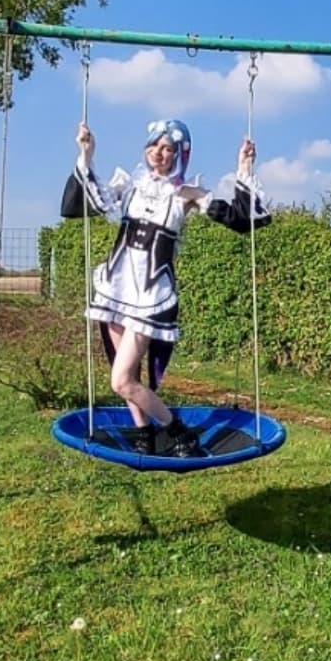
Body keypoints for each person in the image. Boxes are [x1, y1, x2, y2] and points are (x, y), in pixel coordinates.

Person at [60, 118, 271, 456]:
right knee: (124, 372)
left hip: (151, 294)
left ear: (179, 154)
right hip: (116, 289)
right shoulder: (127, 185)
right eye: (154, 146)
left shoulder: (187, 193)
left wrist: (244, 167)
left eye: (167, 147)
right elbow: (79, 206)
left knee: (121, 380)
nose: (159, 153)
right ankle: (144, 434)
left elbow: (242, 220)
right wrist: (86, 154)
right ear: (146, 149)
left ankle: (180, 434)